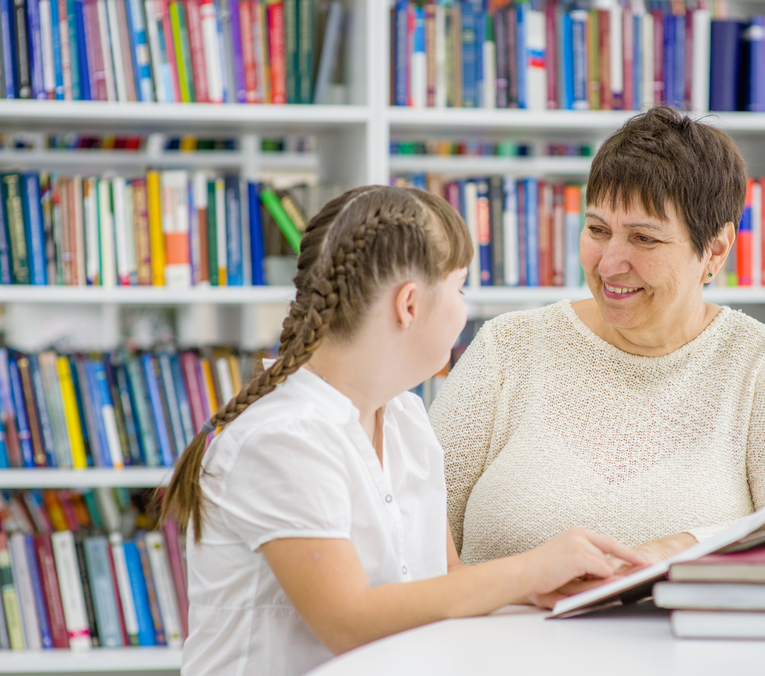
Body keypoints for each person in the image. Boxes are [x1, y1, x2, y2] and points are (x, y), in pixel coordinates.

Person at [162, 186, 645, 676]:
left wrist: (534, 587)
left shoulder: (407, 420)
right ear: (409, 305)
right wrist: (529, 568)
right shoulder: (282, 439)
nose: (464, 310)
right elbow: (348, 622)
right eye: (459, 289)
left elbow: (445, 578)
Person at [430, 107, 765, 575]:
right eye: (598, 230)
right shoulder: (509, 346)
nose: (608, 265)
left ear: (717, 249)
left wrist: (684, 545)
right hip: (496, 642)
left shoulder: (763, 364)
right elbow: (411, 523)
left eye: (644, 238)